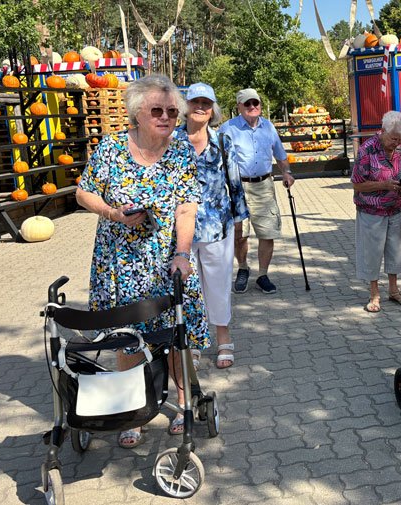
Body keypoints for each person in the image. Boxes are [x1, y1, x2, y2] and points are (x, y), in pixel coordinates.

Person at [75, 74, 208, 447]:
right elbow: (83, 194)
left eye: (171, 111)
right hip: (119, 261)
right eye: (157, 110)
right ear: (137, 113)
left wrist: (182, 253)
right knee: (127, 339)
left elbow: (186, 207)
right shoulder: (112, 148)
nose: (166, 117)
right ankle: (132, 411)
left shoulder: (182, 152)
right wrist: (113, 213)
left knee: (176, 337)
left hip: (166, 258)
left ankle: (182, 404)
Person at [174, 82, 249, 370]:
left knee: (218, 285)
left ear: (213, 109)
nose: (201, 108)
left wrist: (241, 220)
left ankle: (223, 338)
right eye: (196, 102)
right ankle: (194, 341)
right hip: (182, 229)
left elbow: (234, 183)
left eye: (206, 103)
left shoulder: (222, 141)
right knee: (190, 287)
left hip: (218, 226)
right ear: (186, 106)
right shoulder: (172, 141)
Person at [218, 88, 294, 294]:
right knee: (239, 233)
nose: (253, 107)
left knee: (267, 231)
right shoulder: (227, 129)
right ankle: (242, 268)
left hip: (264, 185)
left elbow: (280, 154)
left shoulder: (268, 127)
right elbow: (216, 159)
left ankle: (262, 275)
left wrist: (286, 172)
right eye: (247, 104)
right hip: (237, 187)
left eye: (256, 103)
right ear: (239, 107)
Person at [351, 110, 401, 313]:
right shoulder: (367, 150)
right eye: (393, 139)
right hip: (372, 209)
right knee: (372, 253)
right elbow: (357, 185)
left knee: (395, 251)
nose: (396, 143)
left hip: (395, 208)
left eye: (400, 139)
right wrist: (385, 185)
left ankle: (394, 290)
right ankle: (374, 294)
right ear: (383, 131)